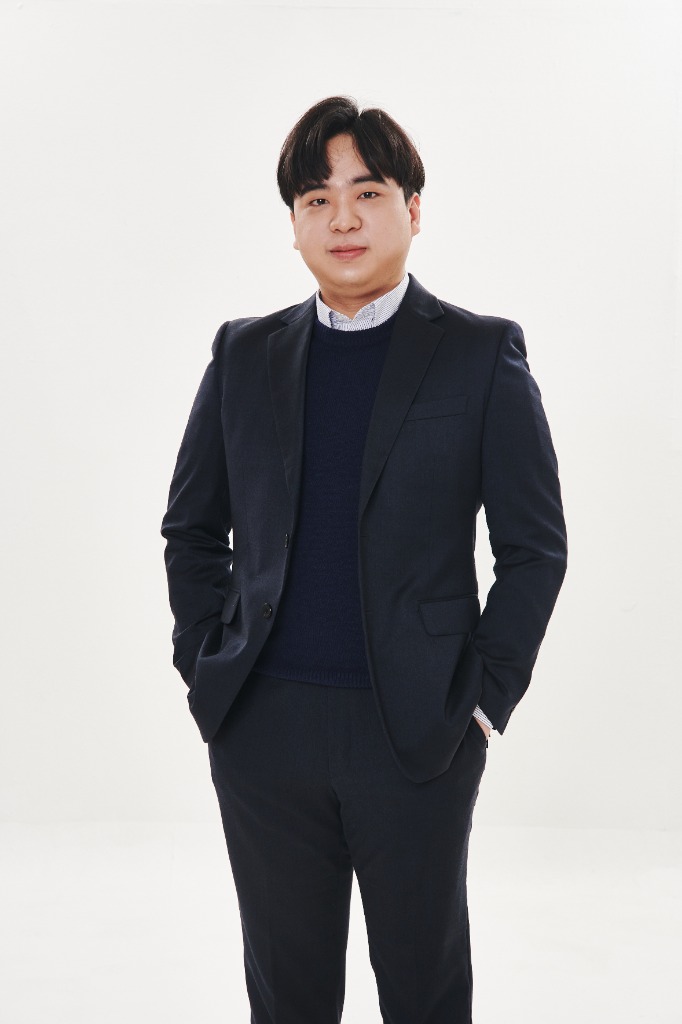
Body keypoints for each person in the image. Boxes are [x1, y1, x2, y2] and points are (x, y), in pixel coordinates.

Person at [160, 95, 568, 1023]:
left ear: (412, 209)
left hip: (416, 732)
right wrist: (206, 664)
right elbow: (192, 529)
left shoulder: (479, 354)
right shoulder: (243, 354)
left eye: (367, 192)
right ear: (294, 223)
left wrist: (483, 702)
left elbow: (535, 548)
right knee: (287, 998)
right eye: (316, 199)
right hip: (263, 728)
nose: (342, 218)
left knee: (424, 992)